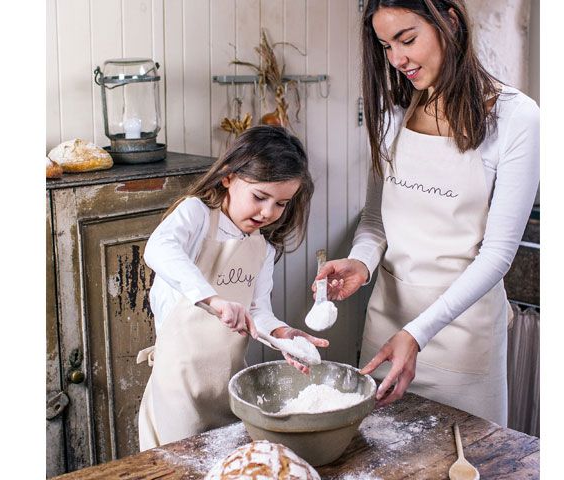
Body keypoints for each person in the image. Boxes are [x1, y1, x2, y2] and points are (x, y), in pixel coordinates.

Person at [315, 0, 539, 425]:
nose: (397, 59)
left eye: (408, 39)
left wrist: (417, 334)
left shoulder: (515, 118)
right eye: (385, 46)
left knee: (467, 460)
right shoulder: (391, 114)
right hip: (386, 330)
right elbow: (376, 221)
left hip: (462, 342)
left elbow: (496, 257)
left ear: (449, 21)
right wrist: (361, 263)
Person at [137, 126, 328, 450]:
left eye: (281, 203)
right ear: (228, 176)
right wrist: (215, 300)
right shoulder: (196, 215)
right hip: (178, 391)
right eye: (259, 197)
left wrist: (281, 334)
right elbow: (158, 248)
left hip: (230, 388)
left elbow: (257, 311)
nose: (268, 212)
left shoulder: (262, 247)